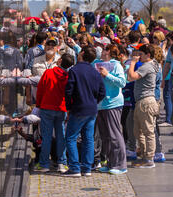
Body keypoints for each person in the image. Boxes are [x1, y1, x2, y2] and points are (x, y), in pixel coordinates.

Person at [63, 46, 106, 177]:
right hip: (91, 109)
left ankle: (75, 167)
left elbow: (68, 91)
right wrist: (94, 101)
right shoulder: (95, 72)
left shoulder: (74, 70)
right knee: (88, 139)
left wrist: (68, 107)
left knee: (70, 137)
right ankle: (87, 167)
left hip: (78, 108)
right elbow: (102, 92)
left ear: (81, 53)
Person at [35, 53, 75, 173]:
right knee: (60, 136)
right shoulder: (68, 77)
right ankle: (62, 163)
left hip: (47, 107)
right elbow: (70, 94)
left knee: (46, 137)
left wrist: (38, 104)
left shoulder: (48, 73)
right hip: (61, 108)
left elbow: (40, 89)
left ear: (60, 61)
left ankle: (44, 164)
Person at [94, 45, 127, 175]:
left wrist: (107, 75)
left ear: (109, 53)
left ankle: (121, 165)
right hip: (101, 104)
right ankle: (110, 162)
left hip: (113, 103)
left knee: (115, 135)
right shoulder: (98, 64)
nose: (101, 52)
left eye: (104, 51)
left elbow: (122, 82)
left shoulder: (116, 65)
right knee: (105, 136)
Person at [128, 44, 160, 169]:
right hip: (142, 101)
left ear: (148, 55)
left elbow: (131, 77)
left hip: (146, 101)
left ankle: (149, 158)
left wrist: (132, 62)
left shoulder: (147, 66)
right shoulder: (153, 64)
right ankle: (144, 155)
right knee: (138, 131)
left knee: (147, 131)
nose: (138, 56)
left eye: (141, 54)